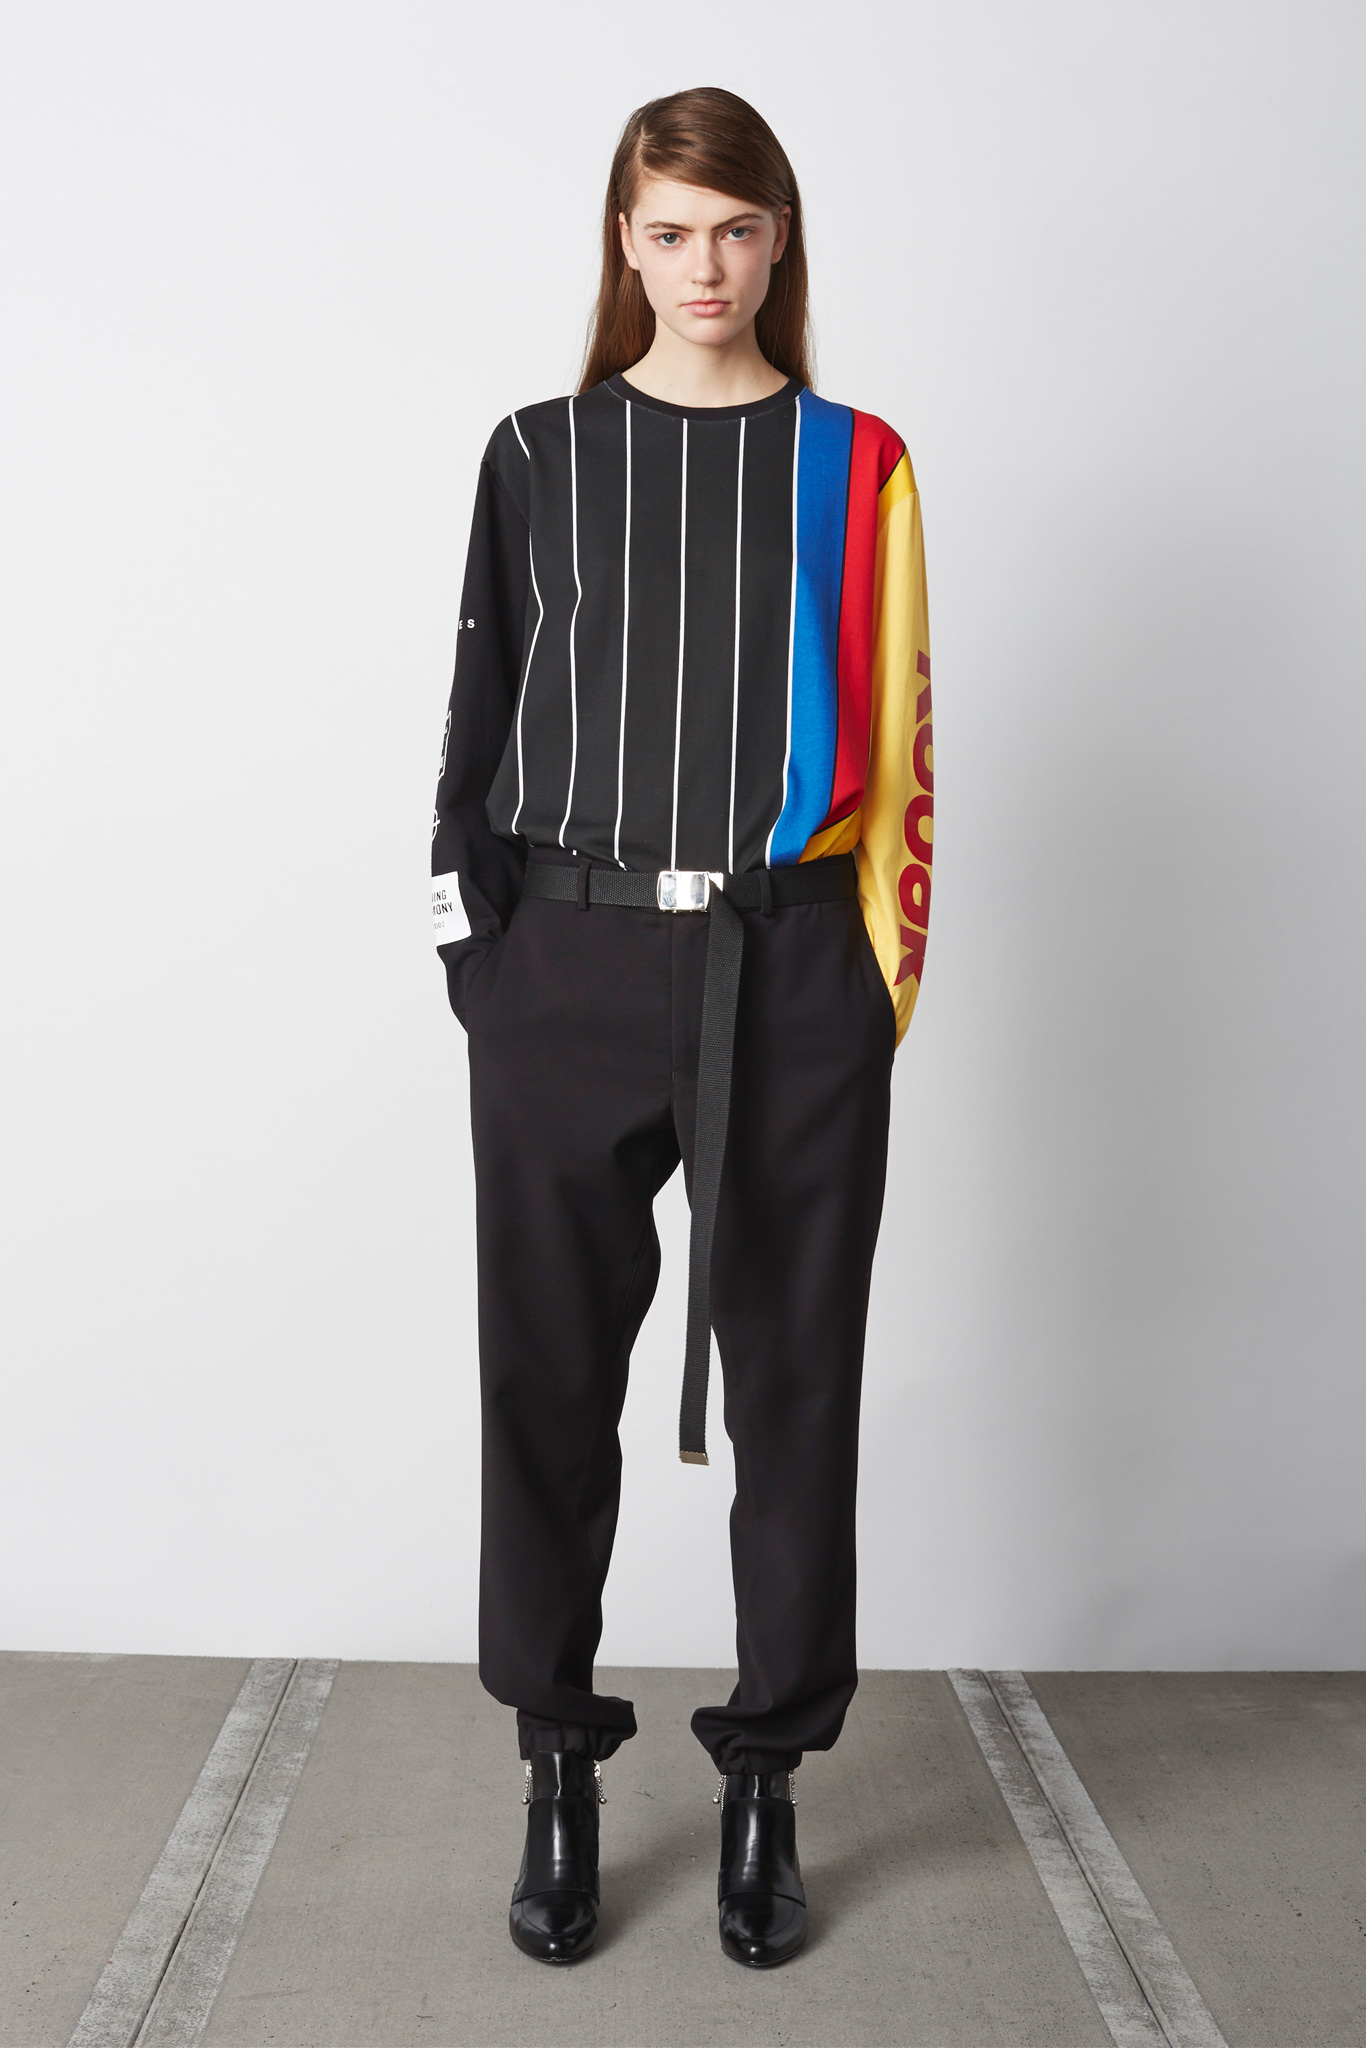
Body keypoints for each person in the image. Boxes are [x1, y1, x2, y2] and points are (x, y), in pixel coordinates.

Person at [431, 85, 932, 1969]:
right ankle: (556, 1765)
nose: (701, 265)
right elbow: (473, 716)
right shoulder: (537, 452)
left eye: (733, 228)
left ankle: (766, 1780)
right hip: (561, 970)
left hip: (787, 973)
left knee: (795, 1390)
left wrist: (870, 987)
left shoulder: (857, 462)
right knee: (545, 1382)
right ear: (622, 244)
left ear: (777, 237)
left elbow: (905, 742)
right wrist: (480, 966)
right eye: (667, 230)